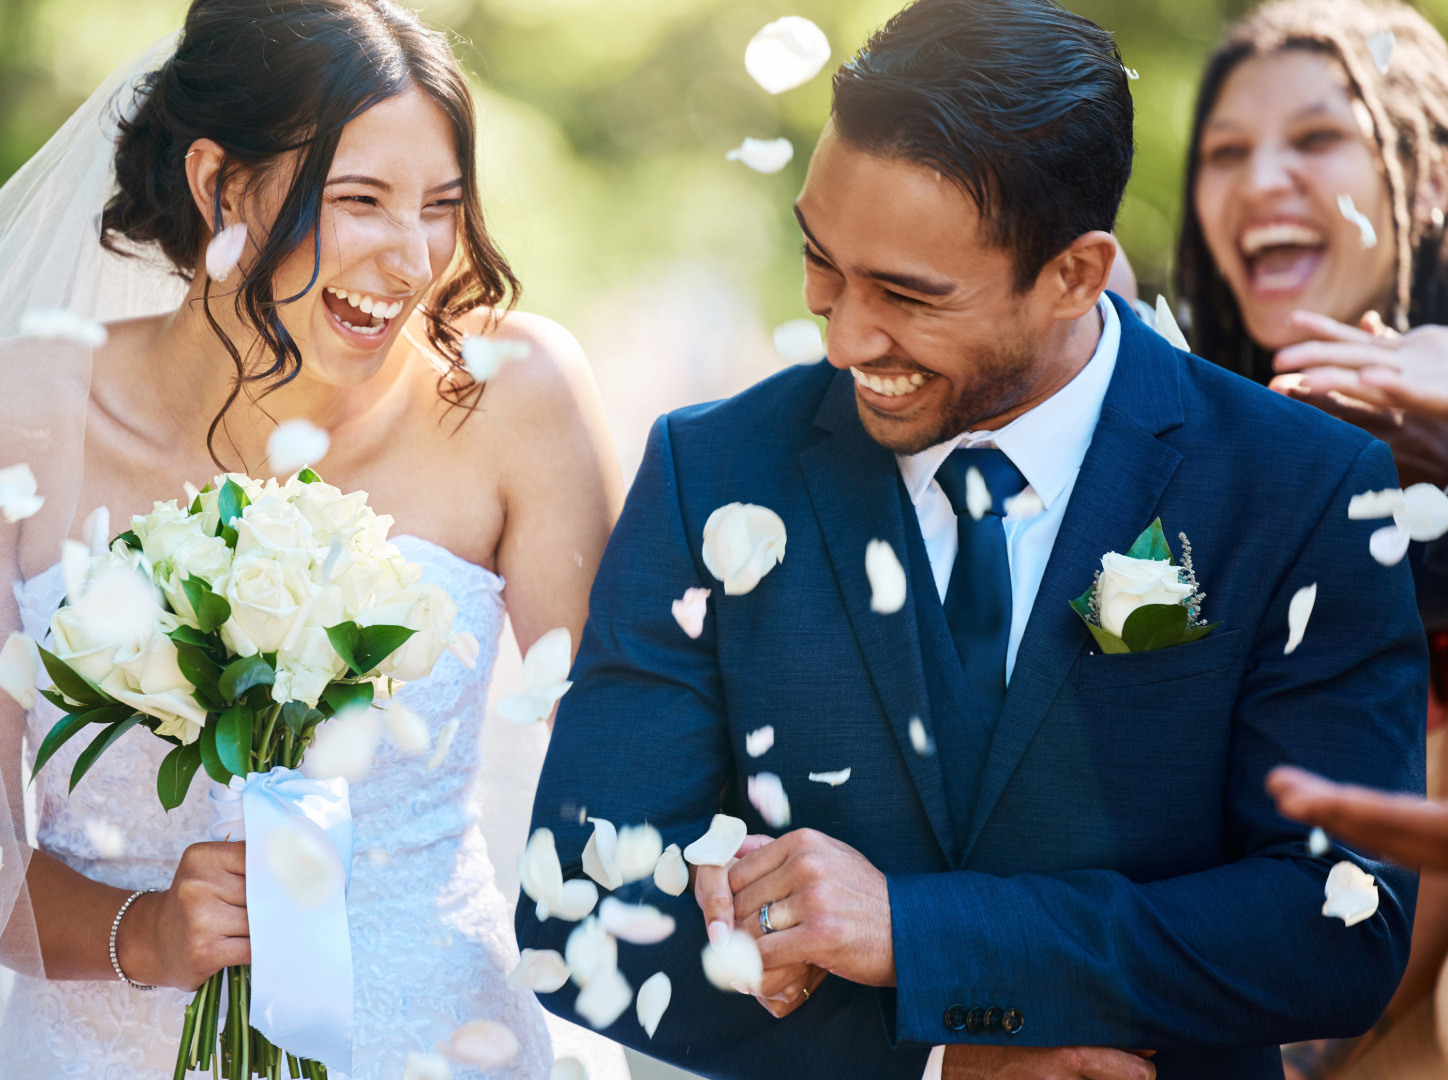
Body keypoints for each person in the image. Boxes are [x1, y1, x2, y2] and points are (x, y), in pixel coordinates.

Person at [0, 2, 623, 1078]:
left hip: (441, 1045)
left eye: (441, 207)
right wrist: (145, 933)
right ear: (218, 183)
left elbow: (638, 751)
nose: (411, 260)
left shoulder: (511, 398)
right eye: (359, 200)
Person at [518, 0, 1424, 1077]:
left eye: (908, 295)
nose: (846, 337)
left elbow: (1339, 922)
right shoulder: (708, 471)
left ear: (1075, 275)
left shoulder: (1305, 486)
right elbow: (580, 909)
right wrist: (945, 1060)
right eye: (822, 261)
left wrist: (917, 939)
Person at [1169, 4, 1448, 1074]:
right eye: (1226, 152)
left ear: (1428, 177)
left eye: (1318, 137)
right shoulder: (1178, 447)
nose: (1261, 180)